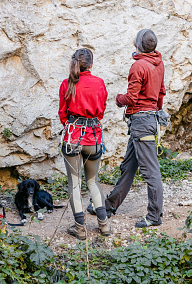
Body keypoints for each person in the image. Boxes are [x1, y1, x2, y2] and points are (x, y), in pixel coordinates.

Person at [90, 29, 166, 228]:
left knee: (151, 172)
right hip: (147, 122)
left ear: (140, 45)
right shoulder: (158, 62)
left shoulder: (139, 66)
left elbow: (131, 98)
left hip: (141, 123)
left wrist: (118, 99)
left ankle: (154, 216)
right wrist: (154, 111)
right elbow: (161, 94)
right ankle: (109, 205)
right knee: (129, 167)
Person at [58, 48, 110, 240]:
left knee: (75, 183)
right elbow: (101, 110)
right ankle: (104, 225)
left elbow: (62, 113)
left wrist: (72, 125)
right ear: (91, 64)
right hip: (94, 137)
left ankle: (80, 228)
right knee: (93, 181)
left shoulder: (67, 84)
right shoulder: (99, 83)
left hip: (73, 137)